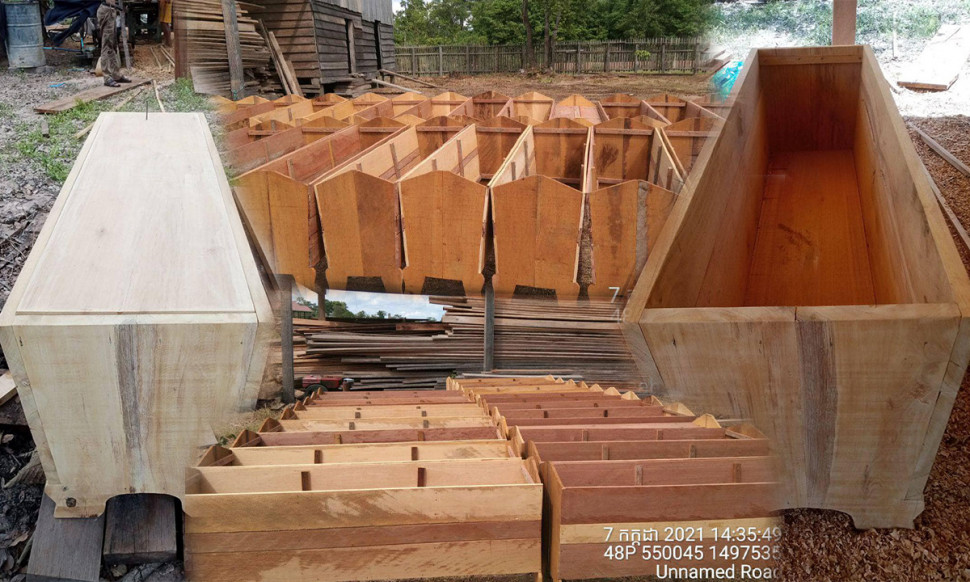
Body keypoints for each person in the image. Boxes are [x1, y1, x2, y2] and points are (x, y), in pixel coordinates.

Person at [97, 0, 131, 87]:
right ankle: (107, 77)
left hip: (111, 9)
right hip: (107, 10)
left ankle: (116, 75)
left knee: (113, 45)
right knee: (107, 45)